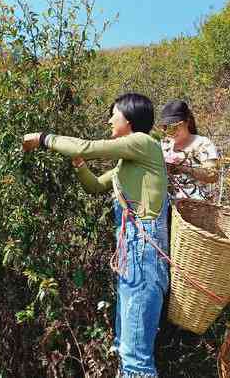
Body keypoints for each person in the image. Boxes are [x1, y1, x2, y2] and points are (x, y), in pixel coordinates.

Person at [23, 93, 169, 378]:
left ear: (128, 119)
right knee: (124, 347)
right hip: (133, 256)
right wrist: (79, 164)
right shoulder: (126, 163)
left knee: (135, 358)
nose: (109, 120)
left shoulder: (144, 142)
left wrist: (42, 138)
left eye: (113, 114)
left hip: (144, 254)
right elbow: (94, 186)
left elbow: (88, 146)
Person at [159, 99, 219, 200]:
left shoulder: (203, 144)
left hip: (196, 207)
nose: (171, 132)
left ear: (187, 121)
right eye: (166, 127)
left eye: (175, 126)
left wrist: (184, 168)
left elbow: (212, 175)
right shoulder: (163, 145)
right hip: (167, 207)